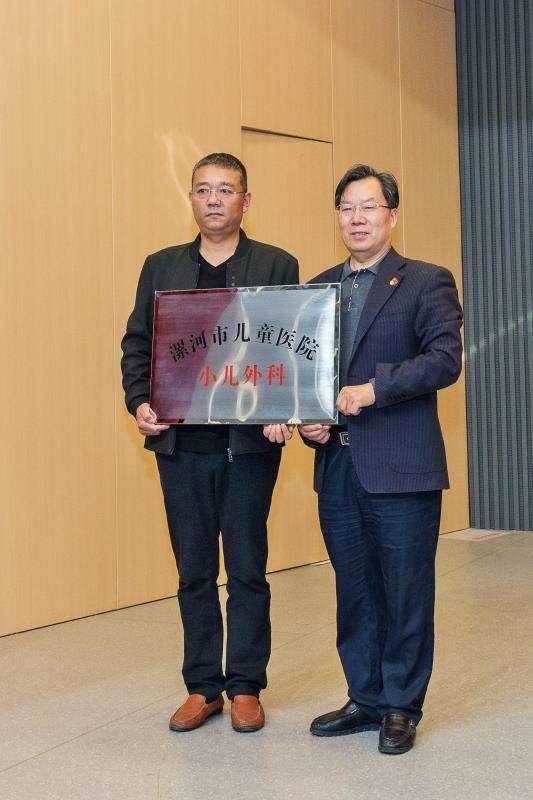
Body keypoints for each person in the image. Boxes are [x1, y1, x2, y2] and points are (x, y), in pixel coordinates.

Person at [121, 153, 297, 733]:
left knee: (247, 569)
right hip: (183, 447)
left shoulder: (275, 263)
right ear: (192, 198)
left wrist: (284, 409)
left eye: (226, 189)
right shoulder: (161, 266)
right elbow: (138, 345)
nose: (214, 199)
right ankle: (203, 686)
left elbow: (289, 347)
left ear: (246, 200)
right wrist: (140, 402)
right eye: (203, 189)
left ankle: (245, 685)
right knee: (193, 571)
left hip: (249, 446)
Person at [299, 164, 462, 754]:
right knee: (355, 591)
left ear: (391, 215)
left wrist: (375, 389)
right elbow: (307, 373)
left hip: (403, 465)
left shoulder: (426, 280)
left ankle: (400, 706)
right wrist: (310, 420)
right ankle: (364, 698)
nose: (357, 218)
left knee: (405, 591)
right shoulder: (317, 288)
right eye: (347, 208)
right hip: (337, 467)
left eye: (369, 207)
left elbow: (444, 359)